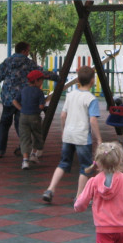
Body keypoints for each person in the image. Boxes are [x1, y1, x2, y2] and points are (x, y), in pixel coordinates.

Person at [42, 65, 102, 204]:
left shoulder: (70, 95)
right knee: (86, 167)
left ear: (78, 80)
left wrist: (63, 130)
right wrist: (99, 139)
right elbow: (93, 120)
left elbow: (63, 115)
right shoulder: (91, 99)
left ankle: (50, 189)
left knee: (63, 163)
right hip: (82, 137)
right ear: (92, 81)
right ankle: (79, 196)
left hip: (68, 135)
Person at [0, 41, 59, 158]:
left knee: (4, 124)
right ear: (24, 51)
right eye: (28, 51)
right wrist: (57, 77)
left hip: (8, 98)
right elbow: (41, 73)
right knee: (21, 125)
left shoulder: (8, 61)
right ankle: (25, 148)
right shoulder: (29, 63)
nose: (28, 53)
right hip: (23, 98)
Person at [13, 69, 52, 170]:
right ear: (36, 81)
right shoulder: (39, 92)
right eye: (41, 80)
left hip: (23, 117)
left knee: (24, 138)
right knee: (37, 135)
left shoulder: (23, 90)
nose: (42, 83)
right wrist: (40, 107)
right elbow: (41, 106)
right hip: (35, 117)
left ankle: (25, 161)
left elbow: (14, 101)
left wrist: (21, 109)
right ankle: (33, 154)